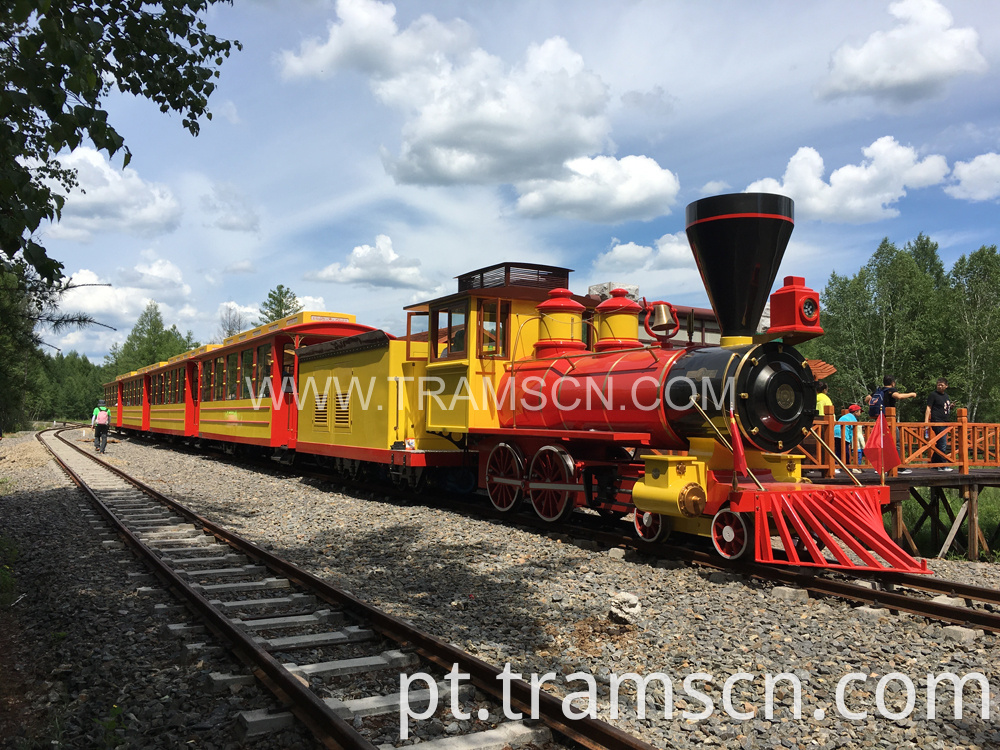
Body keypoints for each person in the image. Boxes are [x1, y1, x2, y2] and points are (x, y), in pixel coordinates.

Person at [874, 376, 917, 473]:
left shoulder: (879, 390)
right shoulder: (891, 390)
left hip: (880, 419)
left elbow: (867, 398)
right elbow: (898, 396)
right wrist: (911, 394)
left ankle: (882, 467)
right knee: (896, 443)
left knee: (883, 443)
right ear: (893, 383)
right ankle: (898, 467)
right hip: (889, 421)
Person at [925, 377, 953, 472]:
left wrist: (951, 407)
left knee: (940, 443)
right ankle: (942, 465)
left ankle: (934, 463)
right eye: (938, 384)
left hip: (945, 422)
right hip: (937, 421)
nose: (939, 386)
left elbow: (944, 408)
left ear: (946, 386)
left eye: (941, 385)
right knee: (943, 443)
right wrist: (926, 422)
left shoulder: (946, 396)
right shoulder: (933, 395)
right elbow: (928, 408)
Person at [833, 404, 863, 473]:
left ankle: (836, 466)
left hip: (836, 433)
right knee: (845, 451)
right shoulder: (853, 419)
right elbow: (852, 431)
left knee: (838, 450)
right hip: (843, 434)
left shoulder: (845, 416)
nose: (860, 413)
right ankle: (847, 467)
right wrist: (849, 441)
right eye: (859, 412)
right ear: (856, 412)